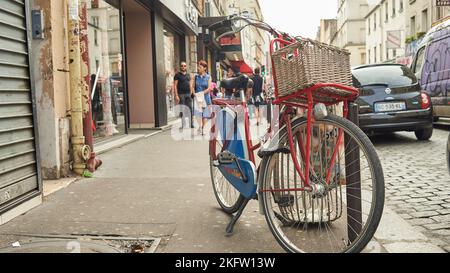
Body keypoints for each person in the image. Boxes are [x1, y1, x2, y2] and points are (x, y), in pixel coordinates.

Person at [191, 60, 212, 135]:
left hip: (206, 98)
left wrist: (201, 93)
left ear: (205, 68)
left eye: (200, 67)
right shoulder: (196, 77)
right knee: (199, 114)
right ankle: (200, 127)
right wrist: (194, 94)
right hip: (198, 98)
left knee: (205, 114)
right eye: (198, 66)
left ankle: (203, 128)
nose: (198, 68)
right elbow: (193, 87)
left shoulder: (208, 77)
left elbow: (209, 88)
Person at [174, 62, 194, 129]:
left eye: (184, 66)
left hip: (188, 94)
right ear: (180, 67)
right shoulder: (177, 75)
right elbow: (175, 85)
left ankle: (191, 124)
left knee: (190, 109)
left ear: (186, 67)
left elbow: (191, 85)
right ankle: (183, 124)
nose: (183, 67)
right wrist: (176, 95)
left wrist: (191, 92)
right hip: (181, 94)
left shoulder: (188, 75)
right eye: (182, 66)